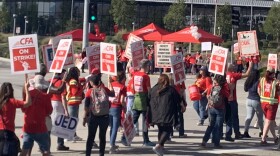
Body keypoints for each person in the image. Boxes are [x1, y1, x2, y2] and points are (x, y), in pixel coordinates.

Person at [148, 74, 182, 156]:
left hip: (156, 113)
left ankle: (161, 147)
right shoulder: (171, 89)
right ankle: (159, 145)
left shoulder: (154, 89)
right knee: (168, 130)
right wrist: (182, 104)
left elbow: (148, 99)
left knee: (161, 129)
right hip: (167, 113)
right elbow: (178, 99)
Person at [83, 73, 115, 156]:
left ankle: (88, 154)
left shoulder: (89, 92)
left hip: (93, 117)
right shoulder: (104, 89)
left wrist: (84, 118)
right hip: (104, 117)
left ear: (91, 83)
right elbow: (113, 94)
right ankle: (101, 154)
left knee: (90, 137)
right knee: (102, 137)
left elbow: (86, 107)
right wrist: (110, 83)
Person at [0, 75, 31, 156]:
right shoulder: (12, 101)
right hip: (8, 131)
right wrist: (27, 89)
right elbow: (28, 103)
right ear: (11, 91)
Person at [225, 62, 252, 142]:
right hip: (232, 99)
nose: (234, 66)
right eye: (233, 66)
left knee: (227, 117)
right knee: (234, 117)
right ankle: (235, 133)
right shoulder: (234, 75)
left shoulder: (224, 75)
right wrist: (250, 65)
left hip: (225, 99)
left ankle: (227, 133)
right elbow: (247, 74)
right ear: (230, 68)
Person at [201, 75, 230, 148]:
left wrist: (210, 102)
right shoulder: (222, 88)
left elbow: (207, 96)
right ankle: (216, 143)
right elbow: (228, 96)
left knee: (210, 125)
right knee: (218, 127)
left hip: (211, 108)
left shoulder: (211, 87)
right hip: (220, 109)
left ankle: (204, 140)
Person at [132, 59, 155, 146]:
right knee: (145, 121)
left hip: (136, 98)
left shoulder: (135, 74)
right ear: (146, 66)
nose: (149, 68)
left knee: (134, 119)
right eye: (148, 66)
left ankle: (124, 136)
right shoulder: (146, 76)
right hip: (144, 99)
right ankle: (146, 140)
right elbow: (149, 90)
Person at [49, 69, 70, 151]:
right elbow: (63, 97)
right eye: (64, 74)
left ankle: (45, 145)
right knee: (60, 125)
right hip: (58, 104)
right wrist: (66, 111)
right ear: (61, 74)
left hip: (50, 103)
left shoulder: (50, 81)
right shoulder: (62, 83)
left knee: (49, 125)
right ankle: (60, 144)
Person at [258, 67, 279, 145]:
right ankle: (263, 139)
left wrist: (261, 97)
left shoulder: (262, 80)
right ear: (273, 73)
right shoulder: (275, 82)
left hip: (263, 103)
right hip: (272, 105)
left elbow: (258, 90)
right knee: (268, 122)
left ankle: (275, 138)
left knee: (270, 122)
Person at [64, 67, 84, 142]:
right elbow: (74, 92)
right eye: (78, 71)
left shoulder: (73, 81)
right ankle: (69, 136)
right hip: (73, 102)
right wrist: (81, 88)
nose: (79, 73)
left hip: (74, 102)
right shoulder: (73, 81)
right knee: (72, 120)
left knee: (73, 120)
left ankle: (73, 135)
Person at [108, 72, 126, 154]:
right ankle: (112, 145)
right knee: (115, 127)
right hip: (117, 107)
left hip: (109, 107)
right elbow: (122, 100)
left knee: (112, 127)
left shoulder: (112, 84)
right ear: (122, 79)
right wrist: (124, 108)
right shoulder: (123, 87)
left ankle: (112, 143)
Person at [243, 70, 264, 138]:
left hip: (249, 100)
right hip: (256, 100)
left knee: (249, 117)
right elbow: (259, 92)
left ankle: (246, 131)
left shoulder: (249, 81)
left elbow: (246, 89)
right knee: (260, 118)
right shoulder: (258, 82)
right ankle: (262, 132)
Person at [169, 73, 187, 138]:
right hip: (178, 101)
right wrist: (183, 102)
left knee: (171, 117)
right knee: (180, 117)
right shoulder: (180, 82)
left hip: (171, 103)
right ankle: (181, 133)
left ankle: (171, 133)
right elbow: (182, 92)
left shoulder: (169, 85)